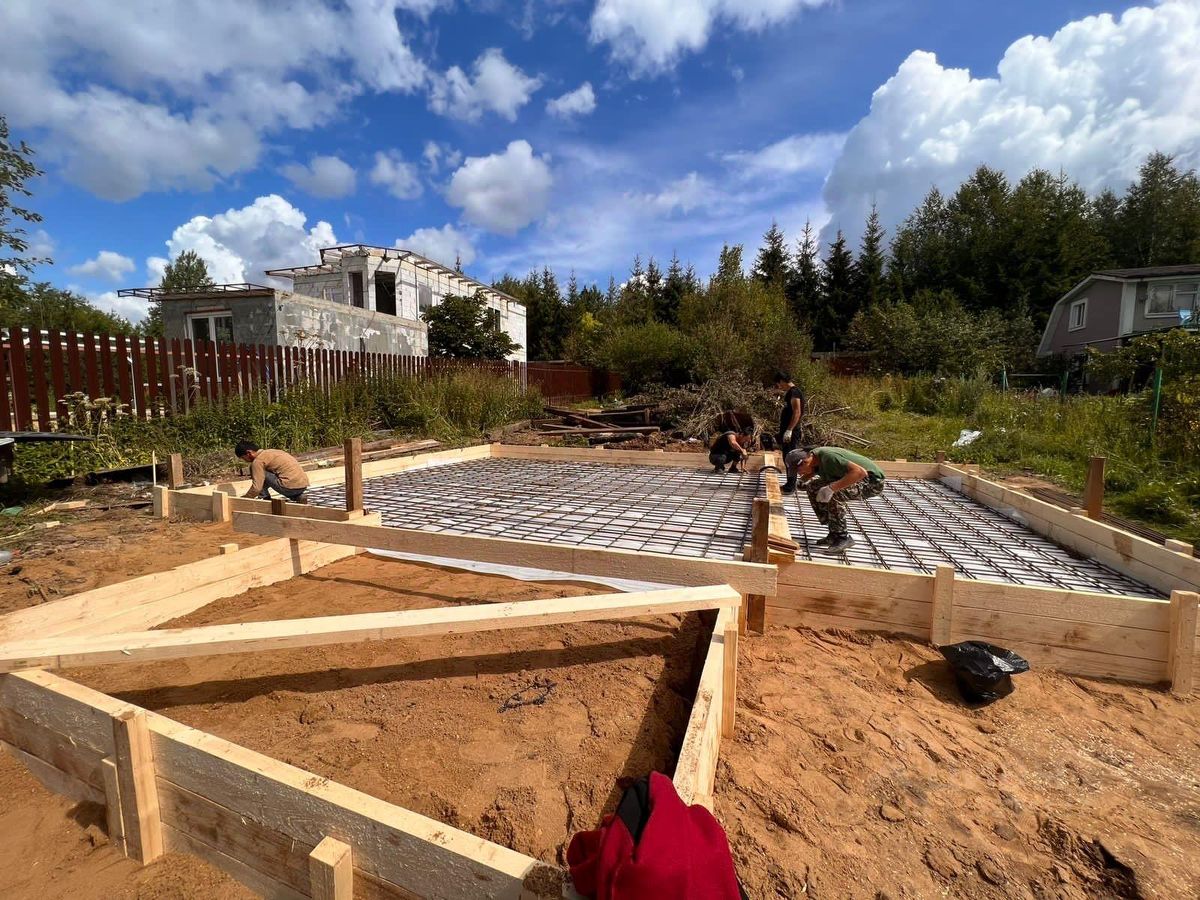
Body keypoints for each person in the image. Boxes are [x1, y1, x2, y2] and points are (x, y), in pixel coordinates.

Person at [785, 446, 885, 552]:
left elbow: (860, 472)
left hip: (871, 482)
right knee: (813, 487)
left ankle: (843, 537)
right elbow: (816, 468)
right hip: (855, 477)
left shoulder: (828, 457)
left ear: (805, 462)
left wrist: (831, 488)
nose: (800, 474)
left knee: (835, 493)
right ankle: (834, 532)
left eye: (799, 470)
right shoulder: (814, 457)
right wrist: (803, 480)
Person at [235, 440, 310, 503]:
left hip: (289, 488)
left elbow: (257, 488)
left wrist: (244, 499)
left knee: (258, 472)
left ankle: (264, 499)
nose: (245, 460)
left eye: (243, 458)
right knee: (266, 474)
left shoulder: (258, 461)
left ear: (249, 453)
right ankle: (298, 497)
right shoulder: (272, 452)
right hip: (303, 485)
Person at [774, 372, 806, 489]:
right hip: (788, 430)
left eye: (778, 384)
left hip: (792, 431)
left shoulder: (794, 392)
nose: (779, 386)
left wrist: (789, 430)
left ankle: (791, 485)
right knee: (787, 457)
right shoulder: (791, 392)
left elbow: (797, 412)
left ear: (782, 381)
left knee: (791, 457)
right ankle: (790, 483)